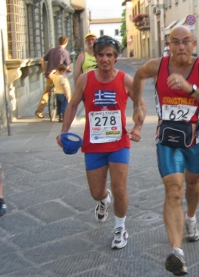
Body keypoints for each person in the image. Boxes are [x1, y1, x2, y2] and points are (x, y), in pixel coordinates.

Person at [132, 26, 199, 276]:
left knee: (194, 185)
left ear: (194, 44)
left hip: (196, 137)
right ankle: (176, 252)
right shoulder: (157, 66)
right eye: (175, 42)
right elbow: (138, 76)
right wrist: (137, 106)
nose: (181, 47)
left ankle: (191, 218)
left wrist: (189, 89)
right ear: (168, 44)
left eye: (185, 42)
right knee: (173, 191)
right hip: (167, 138)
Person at [56, 35, 146, 249]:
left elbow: (140, 104)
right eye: (101, 55)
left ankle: (120, 228)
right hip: (94, 145)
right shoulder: (85, 79)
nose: (105, 59)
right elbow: (72, 105)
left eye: (109, 55)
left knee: (120, 189)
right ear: (95, 56)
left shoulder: (124, 79)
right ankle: (104, 201)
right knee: (96, 192)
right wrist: (63, 132)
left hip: (119, 143)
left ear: (115, 58)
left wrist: (138, 127)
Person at [36, 35, 71, 118]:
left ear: (59, 42)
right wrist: (68, 69)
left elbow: (42, 59)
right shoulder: (64, 52)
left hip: (50, 75)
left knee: (46, 92)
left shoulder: (52, 50)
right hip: (60, 76)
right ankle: (67, 111)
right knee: (68, 92)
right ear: (66, 42)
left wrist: (44, 70)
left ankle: (39, 111)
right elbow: (67, 66)